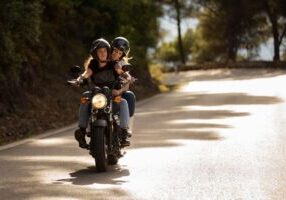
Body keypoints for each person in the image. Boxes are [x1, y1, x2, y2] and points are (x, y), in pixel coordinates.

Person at [74, 38, 131, 148]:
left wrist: (128, 77)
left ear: (108, 51)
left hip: (112, 94)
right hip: (96, 94)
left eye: (105, 51)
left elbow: (121, 72)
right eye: (100, 51)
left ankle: (124, 133)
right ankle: (81, 131)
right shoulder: (93, 63)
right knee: (85, 98)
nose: (103, 53)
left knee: (123, 102)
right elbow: (87, 73)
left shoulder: (114, 63)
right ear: (95, 53)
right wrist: (79, 79)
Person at [110, 37, 136, 137]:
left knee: (129, 96)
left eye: (120, 53)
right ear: (111, 48)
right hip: (102, 91)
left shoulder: (122, 65)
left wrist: (119, 91)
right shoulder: (102, 58)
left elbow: (127, 83)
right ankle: (85, 128)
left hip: (116, 92)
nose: (116, 54)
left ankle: (127, 127)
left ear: (123, 55)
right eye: (115, 50)